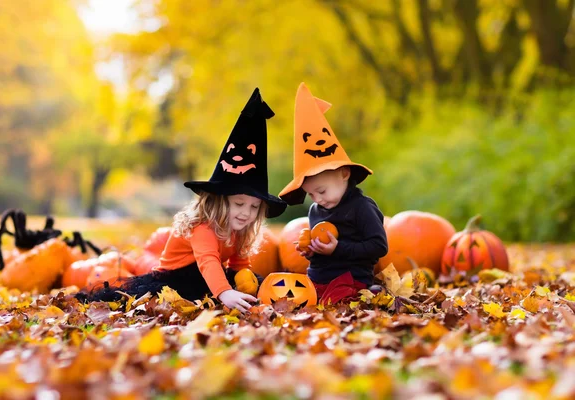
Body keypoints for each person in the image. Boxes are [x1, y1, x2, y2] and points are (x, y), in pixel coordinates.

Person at [78, 88, 287, 312]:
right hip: (176, 279)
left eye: (254, 207)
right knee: (183, 297)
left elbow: (238, 266)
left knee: (249, 281)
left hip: (207, 275)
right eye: (238, 204)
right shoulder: (202, 227)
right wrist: (225, 292)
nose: (246, 212)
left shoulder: (240, 228)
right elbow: (208, 261)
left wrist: (247, 284)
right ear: (218, 201)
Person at [278, 82, 388, 304]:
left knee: (336, 301)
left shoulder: (362, 207)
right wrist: (311, 251)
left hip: (351, 278)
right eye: (311, 195)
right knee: (290, 297)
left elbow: (379, 247)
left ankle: (371, 292)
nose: (317, 200)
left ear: (344, 174)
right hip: (317, 277)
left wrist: (338, 249)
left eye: (321, 191)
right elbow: (320, 248)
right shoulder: (315, 210)